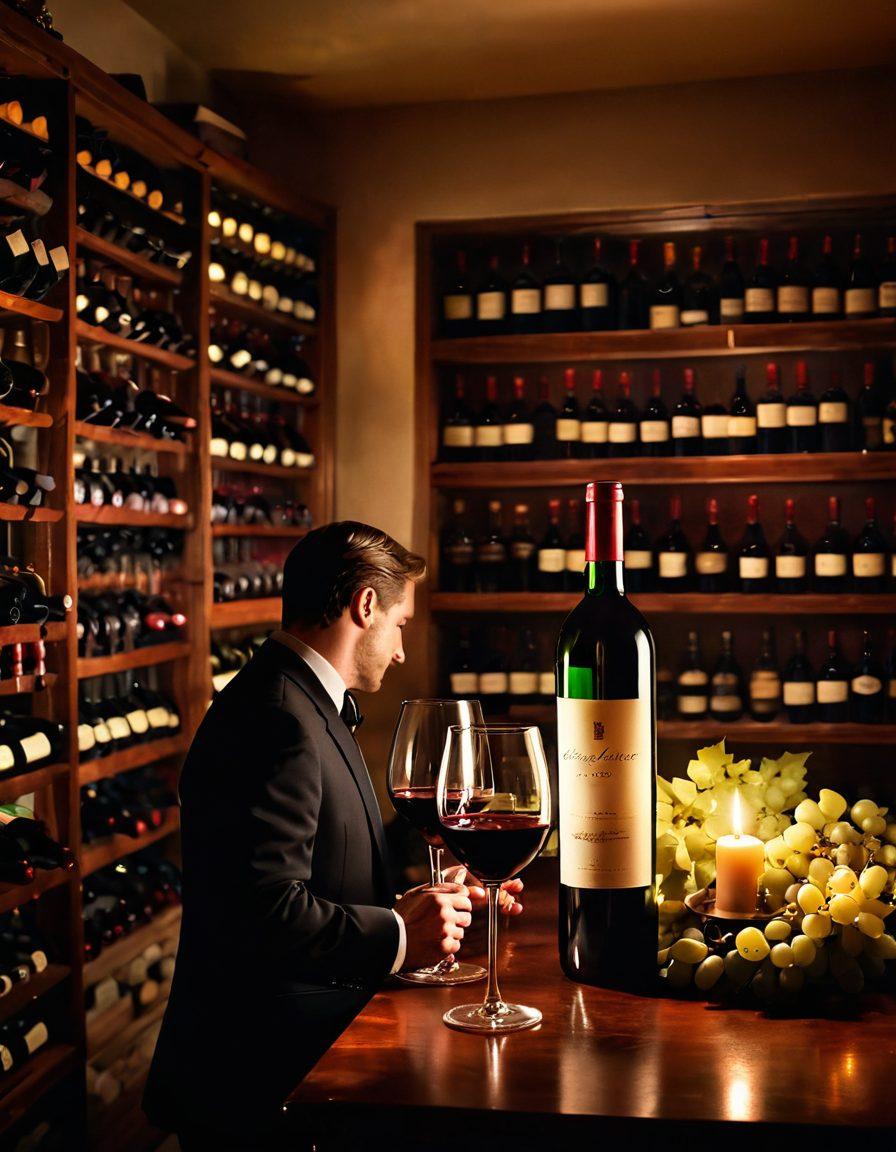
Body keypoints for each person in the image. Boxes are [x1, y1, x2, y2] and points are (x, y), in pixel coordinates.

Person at [144, 521, 523, 1149]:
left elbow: (326, 856)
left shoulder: (300, 698)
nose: (401, 650)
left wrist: (430, 886)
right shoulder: (276, 716)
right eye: (399, 624)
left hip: (288, 1064)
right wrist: (402, 934)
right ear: (365, 605)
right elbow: (262, 908)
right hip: (257, 1078)